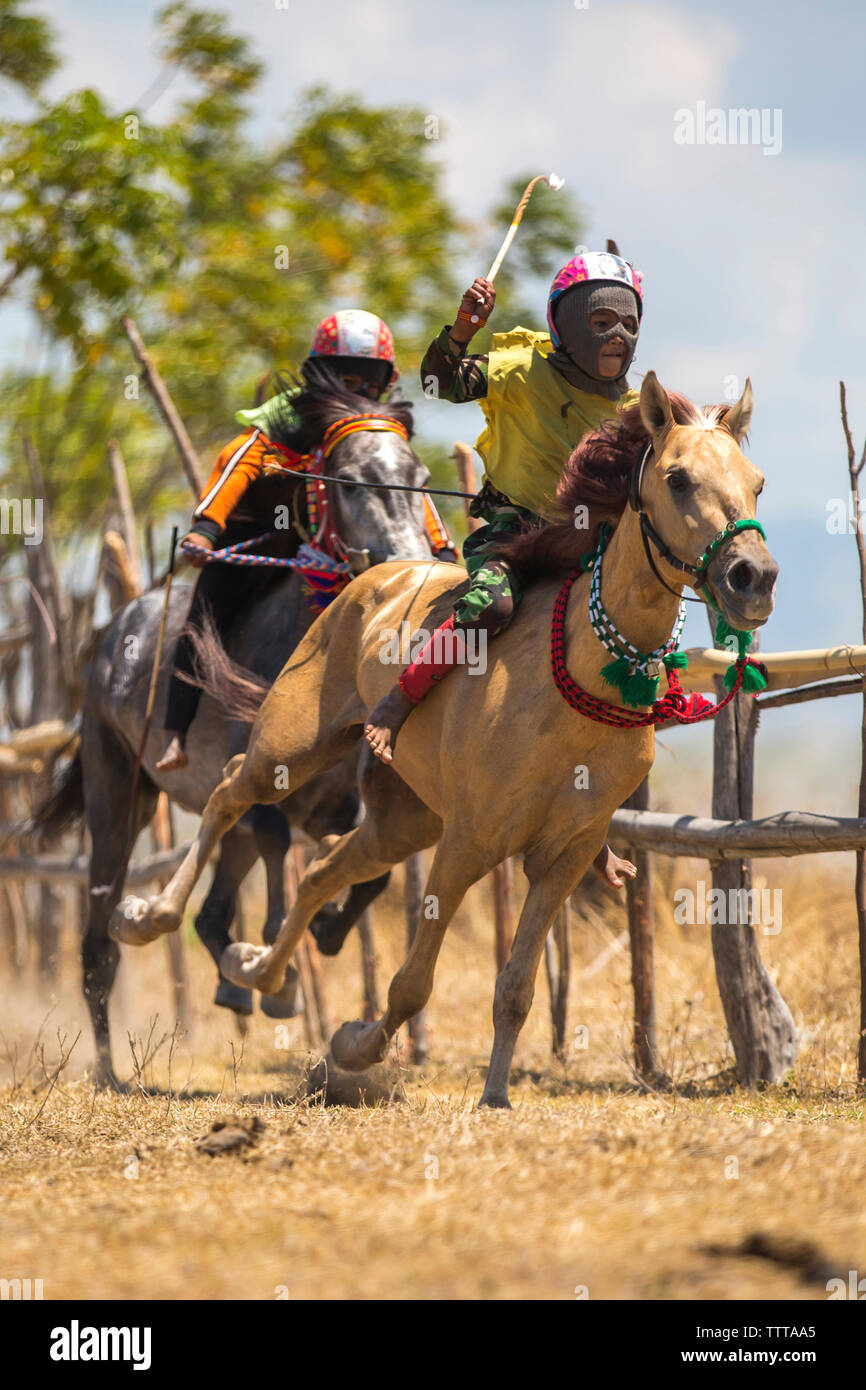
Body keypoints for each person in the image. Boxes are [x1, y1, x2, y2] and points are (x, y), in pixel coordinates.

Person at [363, 251, 645, 889]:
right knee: (490, 606)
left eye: (628, 323)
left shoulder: (633, 406)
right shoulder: (519, 367)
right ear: (568, 322)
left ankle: (590, 834)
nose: (618, 336)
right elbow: (437, 386)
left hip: (586, 549)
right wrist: (463, 329)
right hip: (513, 534)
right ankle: (394, 705)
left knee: (618, 652)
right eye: (602, 319)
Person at [157, 309, 456, 773]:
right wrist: (207, 528)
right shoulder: (285, 416)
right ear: (322, 376)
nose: (357, 392)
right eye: (345, 378)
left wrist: (442, 549)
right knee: (206, 612)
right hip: (255, 539)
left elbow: (403, 487)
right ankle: (176, 731)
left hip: (328, 546)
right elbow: (238, 462)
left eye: (367, 383)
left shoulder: (378, 430)